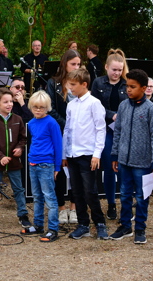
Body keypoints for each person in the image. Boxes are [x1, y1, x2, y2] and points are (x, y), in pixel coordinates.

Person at [110, 68, 153, 244]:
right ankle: (125, 225)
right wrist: (115, 154)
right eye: (127, 86)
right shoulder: (123, 106)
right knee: (124, 194)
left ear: (144, 88)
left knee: (141, 196)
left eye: (133, 86)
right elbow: (117, 131)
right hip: (124, 160)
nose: (128, 90)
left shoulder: (150, 109)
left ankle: (140, 228)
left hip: (143, 162)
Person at [63, 67, 108, 240]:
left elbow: (100, 129)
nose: (70, 88)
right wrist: (64, 154)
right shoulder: (71, 104)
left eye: (73, 85)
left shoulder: (94, 103)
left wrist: (97, 154)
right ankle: (83, 224)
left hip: (88, 154)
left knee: (90, 191)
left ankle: (100, 223)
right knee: (76, 191)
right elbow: (67, 129)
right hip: (73, 155)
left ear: (84, 84)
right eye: (69, 84)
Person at [90, 49, 129, 221]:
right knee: (108, 168)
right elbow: (94, 105)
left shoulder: (127, 84)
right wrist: (111, 114)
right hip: (104, 130)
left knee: (122, 168)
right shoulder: (98, 83)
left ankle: (125, 204)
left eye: (120, 70)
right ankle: (111, 203)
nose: (116, 73)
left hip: (122, 132)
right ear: (106, 67)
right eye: (114, 69)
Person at [0, 87, 30, 230]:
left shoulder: (18, 119)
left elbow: (24, 138)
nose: (9, 104)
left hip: (15, 162)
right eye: (5, 102)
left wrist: (20, 148)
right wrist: (0, 157)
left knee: (18, 189)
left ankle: (23, 215)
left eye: (11, 101)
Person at [46, 49, 82, 223]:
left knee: (76, 170)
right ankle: (61, 207)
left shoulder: (82, 83)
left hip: (78, 134)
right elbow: (50, 109)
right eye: (73, 64)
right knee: (59, 171)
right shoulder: (53, 84)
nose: (76, 67)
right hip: (59, 132)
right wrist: (66, 125)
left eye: (78, 64)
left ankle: (74, 208)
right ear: (65, 64)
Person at [26, 91, 62, 242]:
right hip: (33, 162)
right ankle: (38, 225)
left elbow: (58, 144)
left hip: (47, 164)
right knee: (37, 196)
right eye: (35, 107)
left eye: (41, 107)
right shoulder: (32, 123)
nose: (38, 110)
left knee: (50, 198)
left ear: (47, 107)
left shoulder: (52, 122)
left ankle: (53, 229)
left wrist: (57, 166)